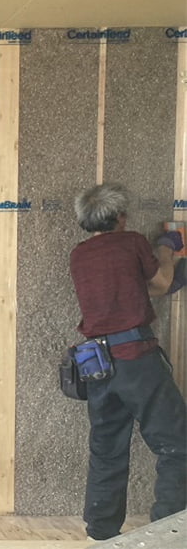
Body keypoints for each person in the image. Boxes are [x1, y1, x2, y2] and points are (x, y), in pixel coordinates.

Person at [70, 182, 187, 541]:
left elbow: (132, 287)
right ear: (120, 216)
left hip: (96, 364)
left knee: (106, 449)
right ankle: (168, 533)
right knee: (177, 445)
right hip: (135, 358)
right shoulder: (132, 241)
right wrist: (167, 247)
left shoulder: (79, 254)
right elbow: (161, 282)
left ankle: (101, 534)